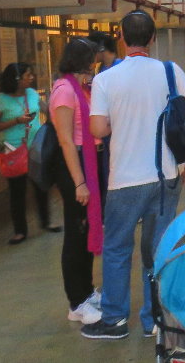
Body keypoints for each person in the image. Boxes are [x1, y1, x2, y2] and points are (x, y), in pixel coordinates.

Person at [81, 10, 185, 340]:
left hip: (125, 180)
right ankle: (154, 319)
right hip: (166, 176)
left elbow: (98, 128)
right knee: (157, 248)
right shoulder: (170, 71)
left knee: (118, 248)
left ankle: (116, 319)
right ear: (152, 39)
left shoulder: (106, 78)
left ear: (120, 37)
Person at [50, 38, 109, 325]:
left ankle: (86, 291)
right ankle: (76, 301)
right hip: (75, 164)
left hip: (91, 160)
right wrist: (79, 183)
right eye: (91, 58)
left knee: (88, 229)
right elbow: (64, 140)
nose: (95, 62)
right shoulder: (64, 91)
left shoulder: (83, 87)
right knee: (76, 233)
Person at [0, 62, 58, 245]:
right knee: (17, 191)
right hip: (13, 148)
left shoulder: (32, 94)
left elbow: (47, 110)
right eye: (28, 75)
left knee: (41, 185)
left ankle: (46, 221)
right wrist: (16, 121)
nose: (31, 78)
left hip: (35, 146)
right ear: (17, 79)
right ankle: (20, 230)